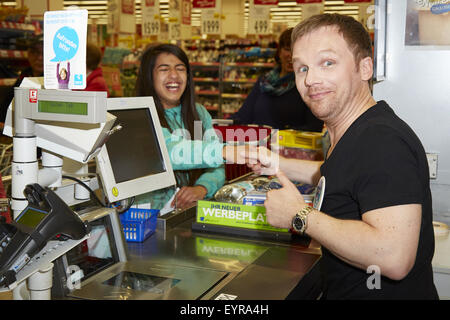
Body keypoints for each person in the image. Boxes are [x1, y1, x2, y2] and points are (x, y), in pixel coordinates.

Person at [246, 14, 438, 299]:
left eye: (328, 63)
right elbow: (345, 177)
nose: (311, 79)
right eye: (301, 68)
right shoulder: (358, 132)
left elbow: (394, 257)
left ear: (365, 68)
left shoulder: (381, 140)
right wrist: (278, 164)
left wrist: (300, 215)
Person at [135, 44, 227, 210]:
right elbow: (169, 151)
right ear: (149, 76)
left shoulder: (198, 112)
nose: (174, 75)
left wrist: (202, 188)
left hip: (187, 214)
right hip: (148, 218)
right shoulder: (140, 115)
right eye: (164, 69)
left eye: (180, 68)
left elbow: (218, 167)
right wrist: (224, 151)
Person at [229, 28, 323, 132]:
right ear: (279, 53)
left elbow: (314, 128)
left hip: (287, 147)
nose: (291, 55)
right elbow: (243, 116)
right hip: (257, 145)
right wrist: (217, 126)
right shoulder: (264, 82)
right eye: (287, 49)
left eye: (296, 50)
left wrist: (279, 136)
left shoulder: (308, 85)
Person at [0, 35, 43, 124]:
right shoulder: (24, 76)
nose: (39, 58)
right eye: (35, 52)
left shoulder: (54, 81)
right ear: (28, 54)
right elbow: (8, 105)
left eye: (44, 53)